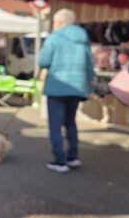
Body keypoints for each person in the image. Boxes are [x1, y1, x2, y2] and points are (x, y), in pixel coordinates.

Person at [39, 9, 94, 173]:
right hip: (77, 87)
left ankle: (60, 160)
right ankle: (73, 157)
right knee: (70, 122)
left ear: (60, 23)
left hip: (57, 87)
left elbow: (43, 61)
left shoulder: (54, 38)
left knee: (55, 126)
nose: (53, 25)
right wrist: (87, 86)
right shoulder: (83, 39)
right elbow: (89, 66)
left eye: (54, 22)